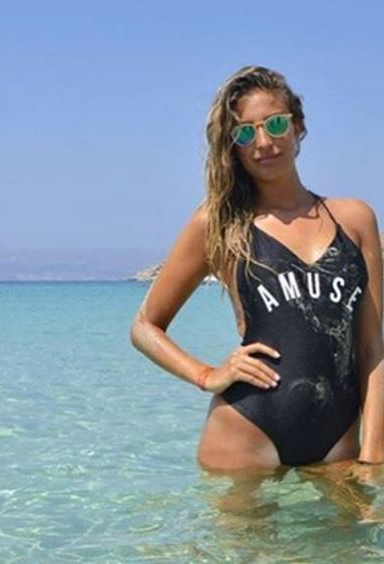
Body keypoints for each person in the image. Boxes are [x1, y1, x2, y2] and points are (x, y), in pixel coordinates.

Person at [130, 65, 384, 470]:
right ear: (233, 146)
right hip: (246, 433)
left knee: (356, 516)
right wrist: (206, 375)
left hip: (337, 441)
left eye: (275, 124)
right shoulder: (219, 224)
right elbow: (145, 327)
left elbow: (372, 350)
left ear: (297, 126)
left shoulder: (355, 220)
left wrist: (373, 457)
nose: (263, 142)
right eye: (245, 133)